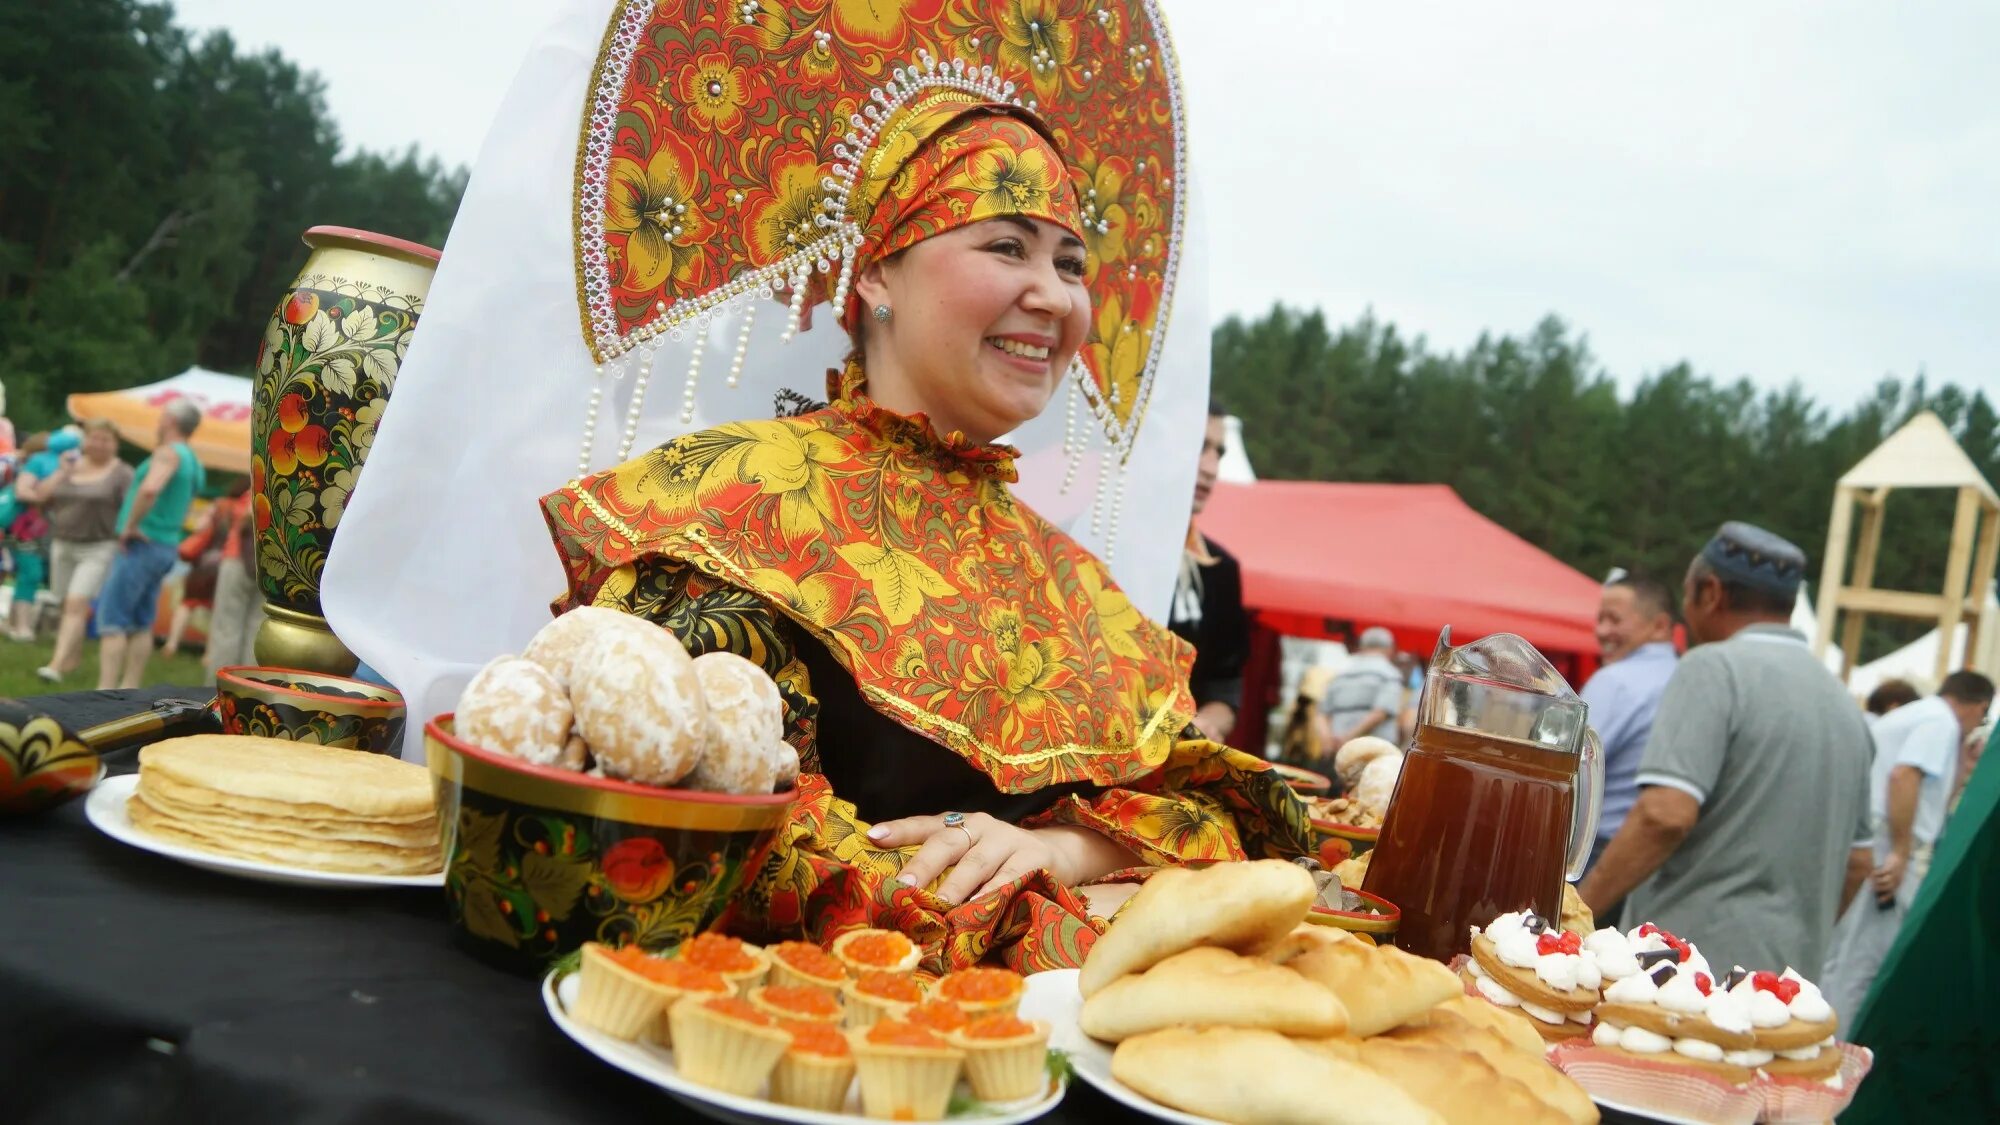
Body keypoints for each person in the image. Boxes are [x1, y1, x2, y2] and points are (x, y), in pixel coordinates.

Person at [539, 94, 1311, 971]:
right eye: (1006, 245)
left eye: (1071, 263)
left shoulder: (1064, 577)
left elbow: (1223, 816)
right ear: (876, 274)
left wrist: (1065, 847)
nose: (1053, 295)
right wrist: (1044, 907)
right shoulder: (735, 495)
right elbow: (723, 823)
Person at [1578, 522, 1872, 975]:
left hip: (1686, 974)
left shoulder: (1711, 668)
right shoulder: (1844, 705)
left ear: (1710, 591)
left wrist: (1580, 912)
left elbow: (1665, 814)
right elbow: (1858, 861)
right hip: (1786, 984)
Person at [1821, 670, 1994, 1031]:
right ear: (1979, 706)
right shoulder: (1940, 722)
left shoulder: (1915, 714)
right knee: (1864, 963)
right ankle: (1842, 1056)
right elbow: (1904, 776)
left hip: (1865, 834)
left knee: (1842, 958)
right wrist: (1900, 853)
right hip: (1888, 840)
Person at [1578, 573, 1680, 908]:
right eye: (1600, 619)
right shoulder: (1689, 681)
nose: (1602, 631)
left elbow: (1564, 765)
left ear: (1660, 626)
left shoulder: (1615, 682)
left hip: (1596, 858)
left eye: (1615, 620)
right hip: (1661, 864)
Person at [95, 400, 205, 690]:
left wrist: (130, 526)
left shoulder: (168, 453)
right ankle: (130, 687)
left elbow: (150, 488)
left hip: (142, 544)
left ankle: (105, 690)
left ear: (169, 420)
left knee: (113, 620)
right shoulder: (193, 461)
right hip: (166, 546)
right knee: (142, 622)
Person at [16, 420, 133, 683]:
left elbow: (131, 507)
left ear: (115, 445)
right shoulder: (68, 465)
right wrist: (61, 472)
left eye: (106, 440)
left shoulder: (122, 473)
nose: (100, 444)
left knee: (76, 604)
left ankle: (55, 665)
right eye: (95, 438)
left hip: (99, 546)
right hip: (63, 543)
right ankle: (73, 657)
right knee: (62, 602)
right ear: (85, 440)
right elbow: (41, 495)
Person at [1167, 403, 1250, 744]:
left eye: (1219, 452)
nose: (1212, 467)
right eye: (1199, 446)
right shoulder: (1091, 542)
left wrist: (1207, 724)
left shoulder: (1219, 568)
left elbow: (1224, 682)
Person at [190, 483, 263, 679]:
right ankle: (248, 688)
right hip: (268, 566)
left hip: (238, 559)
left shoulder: (259, 483)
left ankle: (218, 689)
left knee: (227, 627)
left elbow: (250, 514)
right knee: (256, 629)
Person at [1311, 627, 1404, 767]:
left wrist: (1328, 740)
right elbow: (1379, 714)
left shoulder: (1340, 674)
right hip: (1374, 754)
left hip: (1338, 753)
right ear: (1390, 649)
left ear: (1361, 647)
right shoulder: (1390, 675)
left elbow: (1321, 714)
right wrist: (1349, 737)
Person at [4, 430, 63, 641]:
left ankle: (14, 624)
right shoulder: (35, 470)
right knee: (31, 573)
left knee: (27, 573)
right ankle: (22, 627)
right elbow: (33, 496)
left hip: (22, 528)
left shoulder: (21, 467)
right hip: (23, 529)